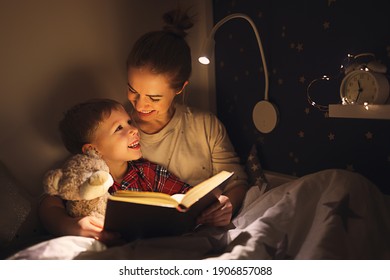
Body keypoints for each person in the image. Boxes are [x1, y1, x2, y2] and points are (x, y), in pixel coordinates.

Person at [39, 8, 249, 243]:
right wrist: (71, 225)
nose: (140, 105)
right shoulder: (109, 130)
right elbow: (55, 195)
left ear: (180, 88)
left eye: (154, 97)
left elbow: (237, 180)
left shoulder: (206, 126)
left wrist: (226, 204)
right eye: (132, 90)